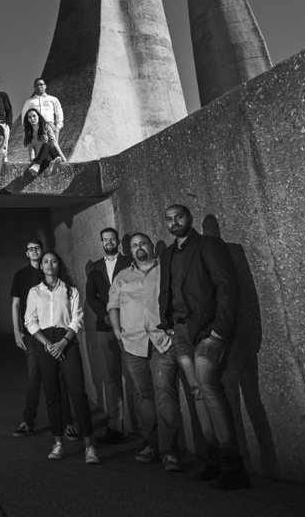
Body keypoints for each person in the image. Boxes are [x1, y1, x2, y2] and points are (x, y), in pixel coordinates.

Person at [157, 204, 250, 489]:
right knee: (197, 391)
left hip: (209, 331)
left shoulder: (210, 245)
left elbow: (227, 287)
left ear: (190, 218)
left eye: (179, 217)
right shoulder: (167, 254)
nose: (174, 222)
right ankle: (214, 460)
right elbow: (166, 291)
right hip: (180, 332)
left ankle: (234, 466)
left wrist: (220, 330)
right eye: (169, 219)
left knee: (209, 387)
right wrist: (167, 322)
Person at [107, 233, 181, 471]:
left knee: (165, 394)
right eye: (134, 245)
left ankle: (170, 452)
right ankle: (150, 446)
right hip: (132, 343)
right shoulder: (122, 276)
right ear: (130, 251)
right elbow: (113, 306)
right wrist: (118, 333)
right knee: (143, 395)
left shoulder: (165, 271)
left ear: (151, 246)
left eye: (142, 243)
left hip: (162, 342)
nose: (139, 247)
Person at [24, 251, 100, 465]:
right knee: (52, 393)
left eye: (53, 261)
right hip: (45, 343)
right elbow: (30, 321)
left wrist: (63, 342)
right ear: (41, 267)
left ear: (59, 265)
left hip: (67, 341)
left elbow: (77, 319)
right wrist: (47, 344)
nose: (49, 264)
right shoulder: (34, 292)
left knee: (77, 392)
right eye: (45, 261)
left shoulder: (70, 290)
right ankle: (58, 443)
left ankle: (89, 446)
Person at [10, 239, 76, 441]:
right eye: (30, 249)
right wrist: (17, 331)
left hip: (56, 333)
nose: (34, 251)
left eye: (37, 248)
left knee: (61, 377)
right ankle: (28, 422)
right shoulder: (21, 275)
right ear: (26, 253)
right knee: (34, 377)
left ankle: (68, 423)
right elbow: (16, 304)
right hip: (32, 334)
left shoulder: (52, 272)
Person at [85, 227, 132, 445]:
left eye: (112, 239)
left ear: (118, 241)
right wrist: (106, 315)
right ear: (101, 242)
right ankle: (116, 427)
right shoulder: (94, 267)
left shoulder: (130, 263)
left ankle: (147, 432)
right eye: (105, 239)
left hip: (131, 327)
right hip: (105, 328)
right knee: (112, 378)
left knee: (138, 377)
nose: (109, 242)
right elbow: (90, 295)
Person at [22, 108, 66, 176]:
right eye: (29, 117)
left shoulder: (46, 127)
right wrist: (33, 161)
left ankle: (38, 165)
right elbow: (31, 149)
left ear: (38, 116)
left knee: (45, 145)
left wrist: (63, 158)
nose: (32, 118)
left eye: (34, 116)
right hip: (42, 158)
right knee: (44, 157)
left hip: (53, 154)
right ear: (27, 119)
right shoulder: (29, 133)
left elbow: (54, 143)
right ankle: (51, 165)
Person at [20, 77, 63, 142]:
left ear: (45, 86)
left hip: (50, 125)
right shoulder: (29, 102)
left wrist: (58, 127)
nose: (39, 86)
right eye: (36, 85)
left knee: (53, 146)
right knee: (38, 147)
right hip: (35, 127)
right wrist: (26, 128)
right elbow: (24, 114)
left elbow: (59, 112)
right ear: (34, 88)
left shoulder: (53, 99)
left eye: (41, 84)